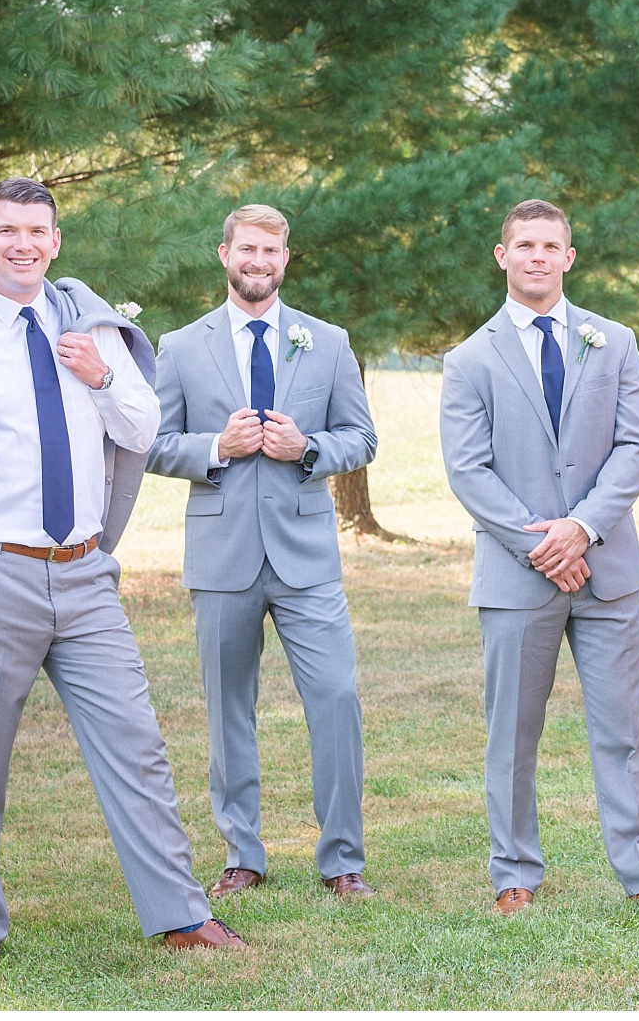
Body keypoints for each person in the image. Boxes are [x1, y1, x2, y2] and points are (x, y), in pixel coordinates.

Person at [0, 176, 244, 969]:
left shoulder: (92, 332)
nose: (23, 245)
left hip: (83, 578)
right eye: (7, 231)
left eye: (37, 232)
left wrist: (102, 378)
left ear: (56, 240)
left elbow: (144, 428)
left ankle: (180, 913)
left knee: (136, 743)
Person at [439, 199, 639, 920]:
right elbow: (468, 470)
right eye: (524, 245)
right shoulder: (469, 359)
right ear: (502, 255)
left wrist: (580, 529)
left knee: (623, 728)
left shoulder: (610, 340)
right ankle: (514, 872)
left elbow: (633, 445)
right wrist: (541, 545)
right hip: (518, 578)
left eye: (551, 245)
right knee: (513, 733)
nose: (538, 257)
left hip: (607, 569)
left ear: (569, 257)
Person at [147, 203, 377, 901]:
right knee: (229, 710)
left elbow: (361, 439)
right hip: (222, 558)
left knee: (336, 697)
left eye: (271, 251)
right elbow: (153, 444)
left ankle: (342, 860)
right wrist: (220, 445)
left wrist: (304, 447)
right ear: (225, 254)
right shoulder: (181, 346)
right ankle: (242, 854)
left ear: (286, 258)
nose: (259, 261)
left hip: (305, 556)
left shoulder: (327, 341)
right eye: (247, 249)